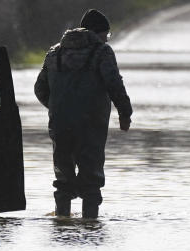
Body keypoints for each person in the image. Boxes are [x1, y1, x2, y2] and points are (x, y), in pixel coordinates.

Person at [34, 8, 133, 219]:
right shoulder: (102, 52)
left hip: (60, 126)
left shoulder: (54, 53)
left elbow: (39, 89)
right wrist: (125, 113)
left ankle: (62, 224)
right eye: (106, 35)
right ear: (97, 33)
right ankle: (90, 227)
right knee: (91, 183)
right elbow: (114, 84)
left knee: (63, 183)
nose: (106, 39)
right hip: (91, 127)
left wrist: (57, 108)